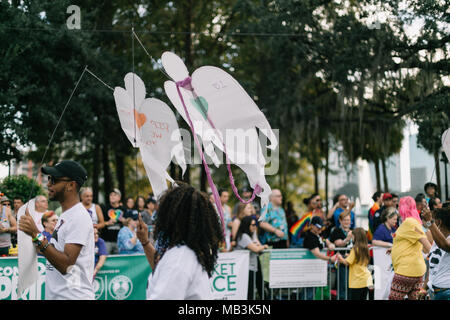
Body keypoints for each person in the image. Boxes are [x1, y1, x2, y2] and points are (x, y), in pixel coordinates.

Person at [18, 160, 95, 300]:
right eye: (48, 179)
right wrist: (30, 235)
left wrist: (36, 234)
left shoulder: (79, 217)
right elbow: (51, 250)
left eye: (53, 180)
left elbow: (66, 265)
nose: (48, 184)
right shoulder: (65, 215)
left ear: (71, 185)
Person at [136, 183, 223, 299]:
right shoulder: (185, 253)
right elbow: (160, 266)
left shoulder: (179, 258)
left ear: (171, 217)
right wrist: (145, 242)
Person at [388, 196, 432, 300]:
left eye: (399, 206)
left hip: (406, 271)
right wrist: (394, 249)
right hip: (416, 271)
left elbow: (427, 245)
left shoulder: (409, 223)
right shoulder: (414, 222)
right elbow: (411, 242)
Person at [302, 216, 337, 299]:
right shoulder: (310, 237)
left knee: (315, 292)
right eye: (318, 228)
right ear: (312, 226)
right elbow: (317, 253)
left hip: (317, 269)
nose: (320, 230)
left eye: (321, 228)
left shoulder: (319, 234)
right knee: (309, 294)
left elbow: (325, 240)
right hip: (309, 270)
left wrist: (330, 244)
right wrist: (329, 259)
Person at [235, 216, 268, 300]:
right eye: (253, 225)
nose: (255, 227)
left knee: (251, 292)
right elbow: (256, 249)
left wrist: (254, 235)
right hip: (246, 269)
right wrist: (264, 246)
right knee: (248, 293)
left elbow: (257, 246)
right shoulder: (244, 236)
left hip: (251, 267)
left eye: (256, 224)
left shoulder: (250, 235)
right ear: (247, 225)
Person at [421, 207, 450, 300]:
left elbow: (445, 245)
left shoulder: (443, 241)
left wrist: (430, 222)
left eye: (432, 219)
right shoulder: (436, 240)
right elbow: (433, 266)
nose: (426, 222)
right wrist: (424, 288)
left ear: (438, 222)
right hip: (435, 292)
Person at [336, 228, 373, 300]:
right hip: (365, 280)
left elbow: (347, 262)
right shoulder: (365, 248)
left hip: (356, 281)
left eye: (352, 236)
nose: (352, 238)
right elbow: (357, 259)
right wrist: (348, 256)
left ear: (356, 237)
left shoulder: (355, 248)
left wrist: (340, 257)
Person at [329, 211, 353, 300]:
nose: (347, 222)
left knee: (351, 285)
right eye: (345, 220)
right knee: (343, 284)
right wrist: (347, 239)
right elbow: (338, 244)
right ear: (340, 221)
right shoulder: (336, 231)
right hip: (341, 262)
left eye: (348, 220)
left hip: (352, 261)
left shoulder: (353, 231)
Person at [101, 188, 125, 254]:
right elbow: (100, 223)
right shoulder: (104, 208)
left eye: (115, 195)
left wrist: (124, 220)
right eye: (111, 195)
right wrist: (107, 223)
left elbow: (129, 224)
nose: (112, 197)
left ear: (119, 198)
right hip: (106, 240)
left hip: (119, 241)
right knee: (105, 259)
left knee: (119, 260)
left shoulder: (123, 209)